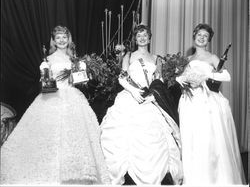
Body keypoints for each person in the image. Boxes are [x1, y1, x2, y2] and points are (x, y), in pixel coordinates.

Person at [0, 26, 110, 185]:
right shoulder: (48, 60)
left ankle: (76, 171)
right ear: (54, 40)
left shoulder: (75, 59)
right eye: (58, 38)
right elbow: (45, 81)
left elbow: (80, 82)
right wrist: (44, 77)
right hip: (53, 96)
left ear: (69, 39)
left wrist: (84, 75)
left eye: (64, 37)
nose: (61, 40)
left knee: (75, 135)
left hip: (73, 97)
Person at [100, 24, 183, 185]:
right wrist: (132, 91)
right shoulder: (128, 55)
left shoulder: (156, 58)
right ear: (135, 39)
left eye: (145, 35)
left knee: (158, 133)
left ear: (150, 38)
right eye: (139, 35)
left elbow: (159, 80)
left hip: (149, 98)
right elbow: (122, 76)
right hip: (131, 96)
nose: (142, 38)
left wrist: (153, 96)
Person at [176, 23, 246, 185]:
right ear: (194, 36)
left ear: (208, 40)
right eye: (199, 34)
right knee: (191, 138)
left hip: (207, 101)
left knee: (207, 139)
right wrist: (183, 80)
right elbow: (181, 78)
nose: (201, 38)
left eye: (205, 36)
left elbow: (226, 76)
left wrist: (205, 78)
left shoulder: (213, 57)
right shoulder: (187, 59)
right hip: (190, 102)